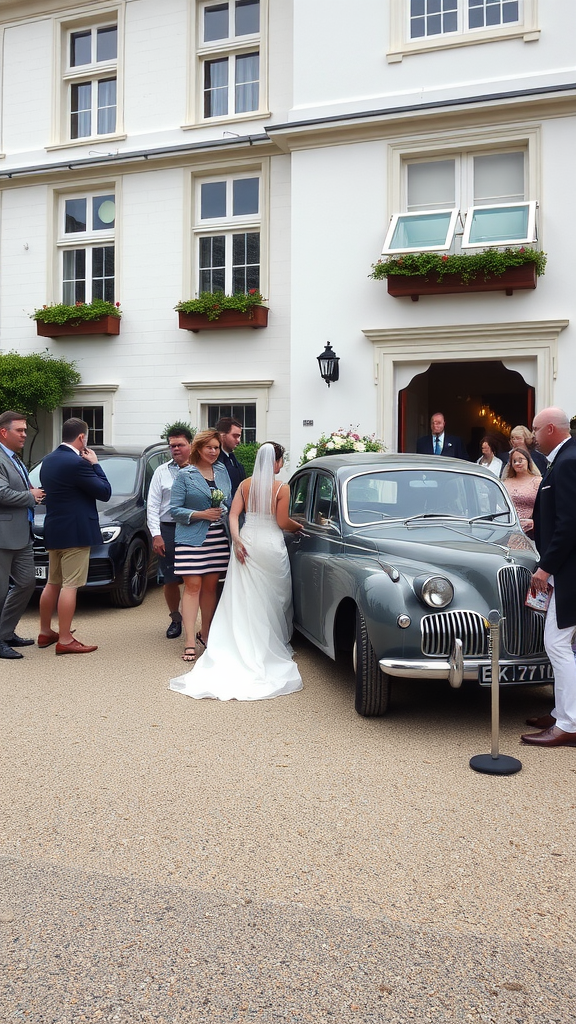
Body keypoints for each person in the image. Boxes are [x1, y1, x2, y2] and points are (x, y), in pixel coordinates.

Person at [169, 442, 303, 700]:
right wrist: (299, 526)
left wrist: (237, 539)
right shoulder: (281, 487)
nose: (281, 465)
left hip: (248, 541)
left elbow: (232, 515)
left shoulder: (244, 485)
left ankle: (236, 636)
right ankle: (272, 639)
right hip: (270, 544)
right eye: (281, 460)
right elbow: (282, 521)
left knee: (243, 594)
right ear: (275, 462)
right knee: (274, 593)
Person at [521, 407, 576, 748]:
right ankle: (560, 712)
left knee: (557, 644)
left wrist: (546, 567)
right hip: (566, 566)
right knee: (563, 644)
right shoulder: (564, 458)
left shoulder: (568, 462)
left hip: (569, 570)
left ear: (551, 429)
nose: (532, 436)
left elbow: (571, 523)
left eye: (536, 430)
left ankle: (568, 723)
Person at [38, 418, 111, 654]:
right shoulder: (78, 463)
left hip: (54, 529)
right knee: (70, 585)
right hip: (76, 532)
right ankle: (66, 639)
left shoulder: (47, 461)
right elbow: (104, 492)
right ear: (81, 437)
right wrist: (95, 464)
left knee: (52, 582)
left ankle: (45, 631)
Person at [169, 430, 231, 662]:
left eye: (216, 447)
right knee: (192, 587)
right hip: (191, 537)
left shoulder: (222, 471)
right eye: (209, 448)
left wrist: (221, 511)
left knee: (210, 588)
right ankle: (188, 640)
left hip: (217, 538)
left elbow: (228, 501)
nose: (214, 452)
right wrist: (201, 513)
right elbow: (174, 510)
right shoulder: (185, 475)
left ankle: (205, 634)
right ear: (199, 449)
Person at [0, 411, 45, 659]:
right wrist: (31, 496)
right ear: (3, 432)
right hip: (3, 535)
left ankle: (6, 632)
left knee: (27, 584)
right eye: (20, 430)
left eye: (26, 430)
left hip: (22, 534)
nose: (25, 434)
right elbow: (2, 493)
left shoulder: (14, 458)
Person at [146, 428, 193, 639]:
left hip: (194, 528)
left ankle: (199, 623)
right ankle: (176, 619)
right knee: (170, 578)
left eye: (180, 445)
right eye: (172, 445)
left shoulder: (200, 469)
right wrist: (156, 534)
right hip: (168, 530)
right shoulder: (161, 472)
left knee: (195, 578)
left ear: (190, 445)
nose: (175, 449)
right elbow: (153, 505)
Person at [501, 446, 541, 538]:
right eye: (514, 461)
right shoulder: (506, 482)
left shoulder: (538, 481)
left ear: (528, 461)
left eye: (520, 460)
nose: (517, 463)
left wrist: (535, 522)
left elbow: (545, 506)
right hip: (508, 529)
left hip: (531, 531)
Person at [215, 416, 246, 498]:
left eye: (239, 436)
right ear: (222, 436)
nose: (238, 440)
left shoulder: (233, 458)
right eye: (235, 436)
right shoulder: (215, 460)